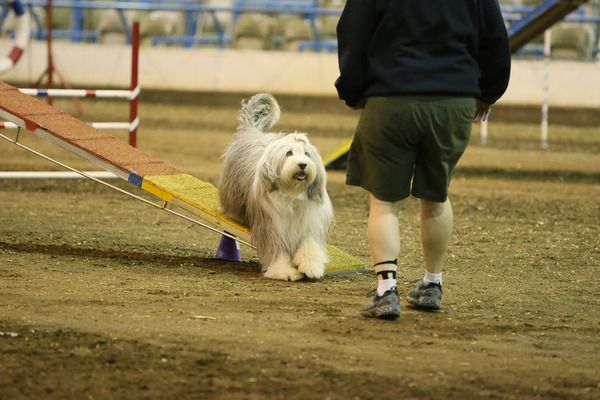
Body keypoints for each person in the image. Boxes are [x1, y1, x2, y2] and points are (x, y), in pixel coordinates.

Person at [335, 0, 511, 319]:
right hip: (454, 100)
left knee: (384, 200)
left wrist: (353, 90)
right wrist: (488, 93)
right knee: (437, 195)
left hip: (390, 98)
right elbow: (496, 38)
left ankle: (386, 290)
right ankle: (432, 284)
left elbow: (353, 32)